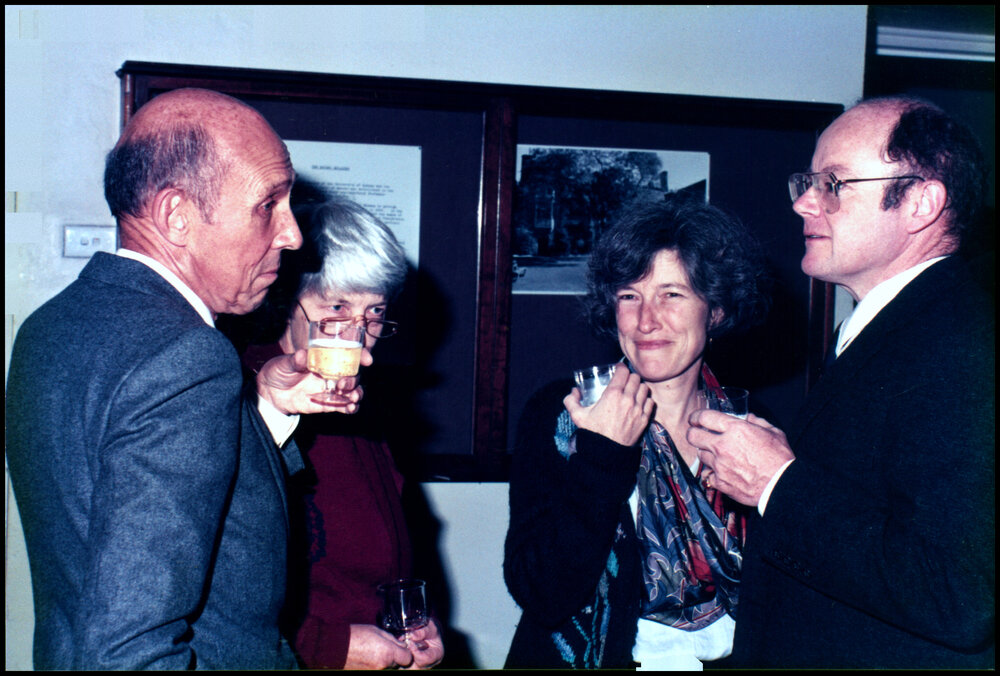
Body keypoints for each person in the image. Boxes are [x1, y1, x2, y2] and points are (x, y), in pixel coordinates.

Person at [6, 88, 361, 670]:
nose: (293, 234)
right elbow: (129, 650)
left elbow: (112, 512)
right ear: (176, 217)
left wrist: (261, 409)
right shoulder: (188, 354)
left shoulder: (51, 327)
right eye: (267, 205)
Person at [689, 96, 995, 668]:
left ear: (922, 204)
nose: (805, 202)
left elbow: (960, 592)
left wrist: (777, 481)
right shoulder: (892, 328)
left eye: (833, 183)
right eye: (808, 181)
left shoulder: (964, 343)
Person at [503, 195, 770, 669]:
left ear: (718, 310)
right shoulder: (562, 416)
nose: (647, 320)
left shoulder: (749, 428)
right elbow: (540, 592)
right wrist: (601, 456)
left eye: (672, 294)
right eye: (630, 295)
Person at [231, 198, 445, 670]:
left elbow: (388, 552)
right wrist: (329, 649)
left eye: (374, 313)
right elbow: (222, 592)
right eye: (336, 306)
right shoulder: (240, 391)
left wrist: (414, 624)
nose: (355, 335)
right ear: (290, 301)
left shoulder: (364, 404)